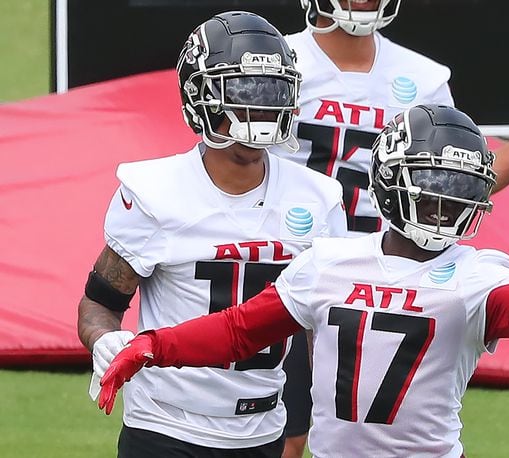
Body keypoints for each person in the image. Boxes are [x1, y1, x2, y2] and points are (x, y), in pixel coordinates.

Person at [96, 104, 509, 458]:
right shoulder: (328, 260)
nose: (445, 202)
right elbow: (239, 330)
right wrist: (149, 346)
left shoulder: (479, 272)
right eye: (433, 184)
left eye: (459, 188)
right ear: (391, 181)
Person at [275, 1, 509, 455]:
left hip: (390, 286)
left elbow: (457, 184)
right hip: (292, 271)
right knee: (279, 430)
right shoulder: (277, 62)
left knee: (382, 434)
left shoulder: (422, 78)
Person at [77, 11, 347, 457]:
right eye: (241, 95)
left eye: (270, 95)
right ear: (202, 98)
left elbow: (327, 330)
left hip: (263, 427)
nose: (257, 112)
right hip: (164, 427)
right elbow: (100, 303)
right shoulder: (154, 192)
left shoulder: (318, 198)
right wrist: (104, 338)